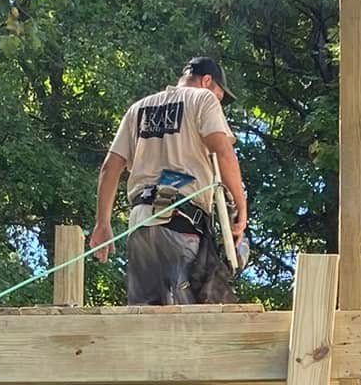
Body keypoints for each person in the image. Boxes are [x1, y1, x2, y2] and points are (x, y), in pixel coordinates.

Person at [90, 57, 249, 306]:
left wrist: (103, 223)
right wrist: (241, 206)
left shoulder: (138, 109)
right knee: (187, 324)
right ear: (206, 81)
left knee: (144, 324)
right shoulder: (203, 99)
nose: (219, 103)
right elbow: (223, 151)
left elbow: (110, 167)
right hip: (181, 223)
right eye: (219, 96)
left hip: (140, 225)